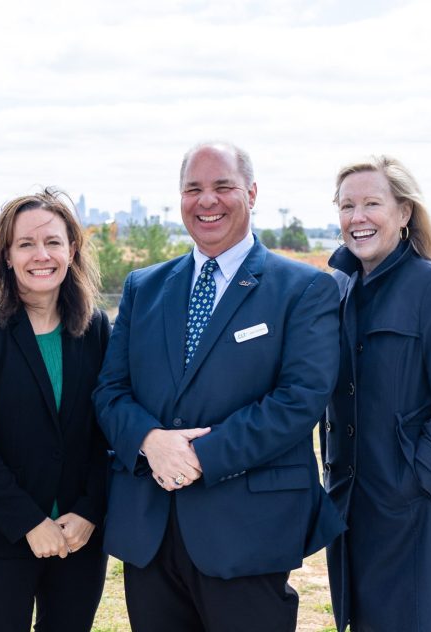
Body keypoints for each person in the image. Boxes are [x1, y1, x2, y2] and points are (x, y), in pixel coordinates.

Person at [93, 141, 344, 632]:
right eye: (194, 189)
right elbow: (110, 391)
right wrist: (149, 442)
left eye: (222, 187)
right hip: (151, 528)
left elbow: (299, 401)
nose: (207, 201)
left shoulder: (304, 289)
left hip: (248, 531)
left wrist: (196, 457)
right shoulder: (144, 287)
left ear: (251, 193)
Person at [322, 156, 431, 631]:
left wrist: (415, 482)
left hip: (423, 512)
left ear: (404, 213)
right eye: (347, 205)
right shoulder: (338, 288)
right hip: (354, 508)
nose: (358, 217)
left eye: (373, 203)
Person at [0, 188, 110, 631]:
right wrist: (29, 522)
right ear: (7, 255)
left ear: (72, 250)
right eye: (26, 244)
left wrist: (90, 511)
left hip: (80, 535)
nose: (42, 255)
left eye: (53, 242)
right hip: (1, 533)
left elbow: (106, 430)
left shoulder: (95, 328)